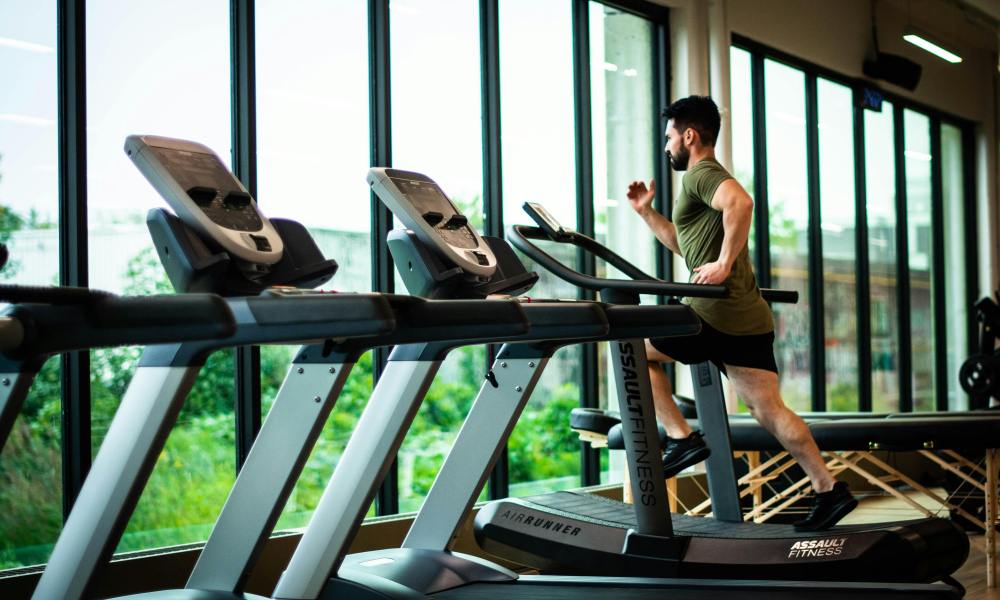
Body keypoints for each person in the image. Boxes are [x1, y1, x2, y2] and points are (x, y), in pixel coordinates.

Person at [626, 95, 856, 531]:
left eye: (669, 137)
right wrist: (647, 213)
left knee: (632, 348)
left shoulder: (703, 175)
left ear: (688, 136)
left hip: (710, 313)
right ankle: (829, 489)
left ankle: (681, 438)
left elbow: (742, 204)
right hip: (747, 317)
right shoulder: (702, 182)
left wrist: (725, 264)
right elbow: (685, 245)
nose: (667, 146)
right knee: (769, 410)